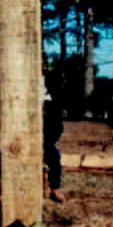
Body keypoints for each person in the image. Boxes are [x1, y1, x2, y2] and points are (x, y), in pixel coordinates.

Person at [44, 74, 67, 203]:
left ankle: (55, 188)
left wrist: (46, 142)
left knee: (54, 156)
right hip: (21, 140)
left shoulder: (53, 104)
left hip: (45, 142)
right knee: (5, 154)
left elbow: (57, 128)